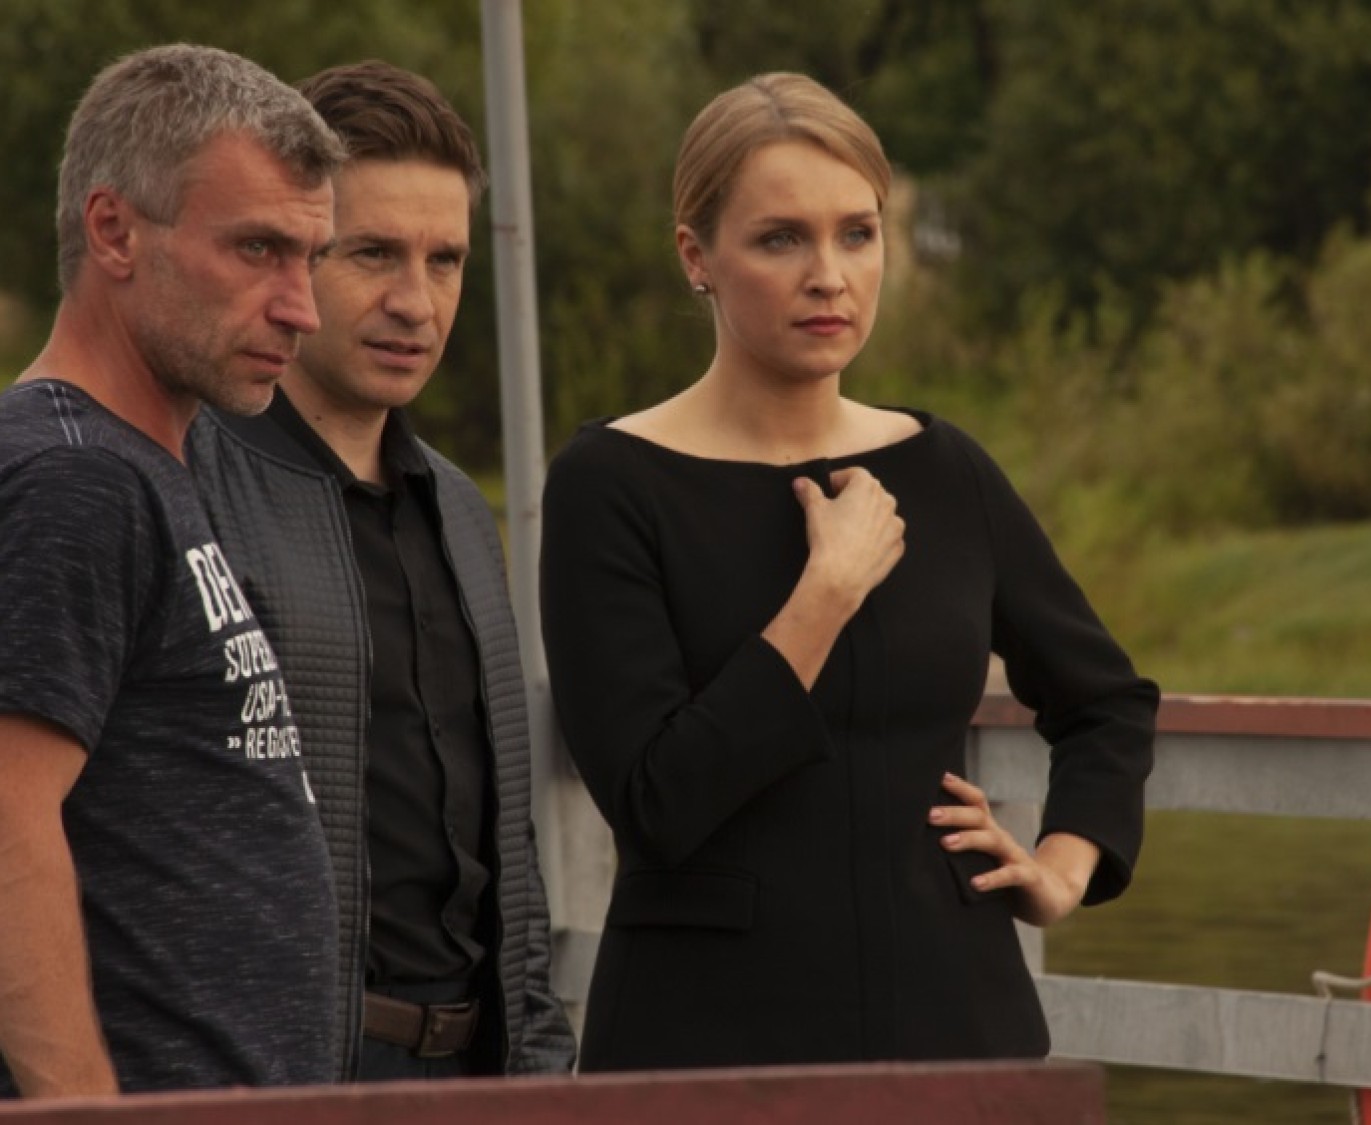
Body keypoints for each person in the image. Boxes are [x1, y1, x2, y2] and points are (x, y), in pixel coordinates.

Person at [539, 72, 1160, 1071]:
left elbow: (1107, 703)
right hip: (707, 1046)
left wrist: (1062, 866)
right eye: (781, 238)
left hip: (957, 1031)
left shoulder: (945, 468)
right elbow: (657, 805)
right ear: (696, 257)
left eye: (858, 234)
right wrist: (824, 596)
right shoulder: (609, 483)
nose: (829, 275)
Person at [189, 60, 576, 1082]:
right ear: (296, 251)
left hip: (474, 1071)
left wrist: (541, 1067)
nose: (416, 302)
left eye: (445, 260)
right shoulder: (188, 484)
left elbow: (506, 843)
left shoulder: (459, 508)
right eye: (373, 253)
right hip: (279, 1072)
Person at [0, 44, 346, 1097]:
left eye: (312, 258)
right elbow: (7, 819)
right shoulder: (76, 477)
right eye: (257, 249)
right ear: (113, 231)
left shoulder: (140, 467)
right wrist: (80, 1110)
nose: (302, 307)